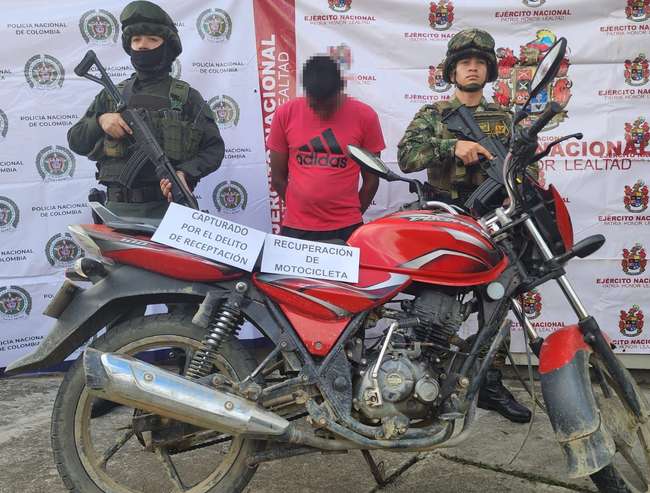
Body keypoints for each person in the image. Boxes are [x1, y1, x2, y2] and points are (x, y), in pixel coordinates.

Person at [397, 28, 532, 424]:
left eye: (479, 63)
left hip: (495, 224)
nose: (471, 68)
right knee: (437, 306)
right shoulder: (435, 116)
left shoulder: (504, 119)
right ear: (452, 70)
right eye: (464, 63)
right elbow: (406, 157)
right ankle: (424, 384)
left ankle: (488, 384)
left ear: (488, 70)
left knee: (496, 306)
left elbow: (527, 166)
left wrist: (515, 191)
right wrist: (450, 146)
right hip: (447, 222)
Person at [68, 0, 224, 219]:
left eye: (152, 39)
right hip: (115, 212)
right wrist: (101, 121)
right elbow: (76, 141)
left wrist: (185, 173)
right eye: (136, 39)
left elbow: (214, 149)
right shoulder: (112, 95)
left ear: (167, 46)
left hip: (166, 212)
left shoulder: (185, 97)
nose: (142, 45)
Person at [268, 55, 385, 243]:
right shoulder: (285, 114)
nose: (322, 112)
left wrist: (350, 216)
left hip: (346, 228)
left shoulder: (365, 116)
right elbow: (278, 178)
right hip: (296, 228)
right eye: (315, 106)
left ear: (341, 90)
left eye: (328, 106)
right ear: (306, 92)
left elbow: (371, 180)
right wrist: (300, 210)